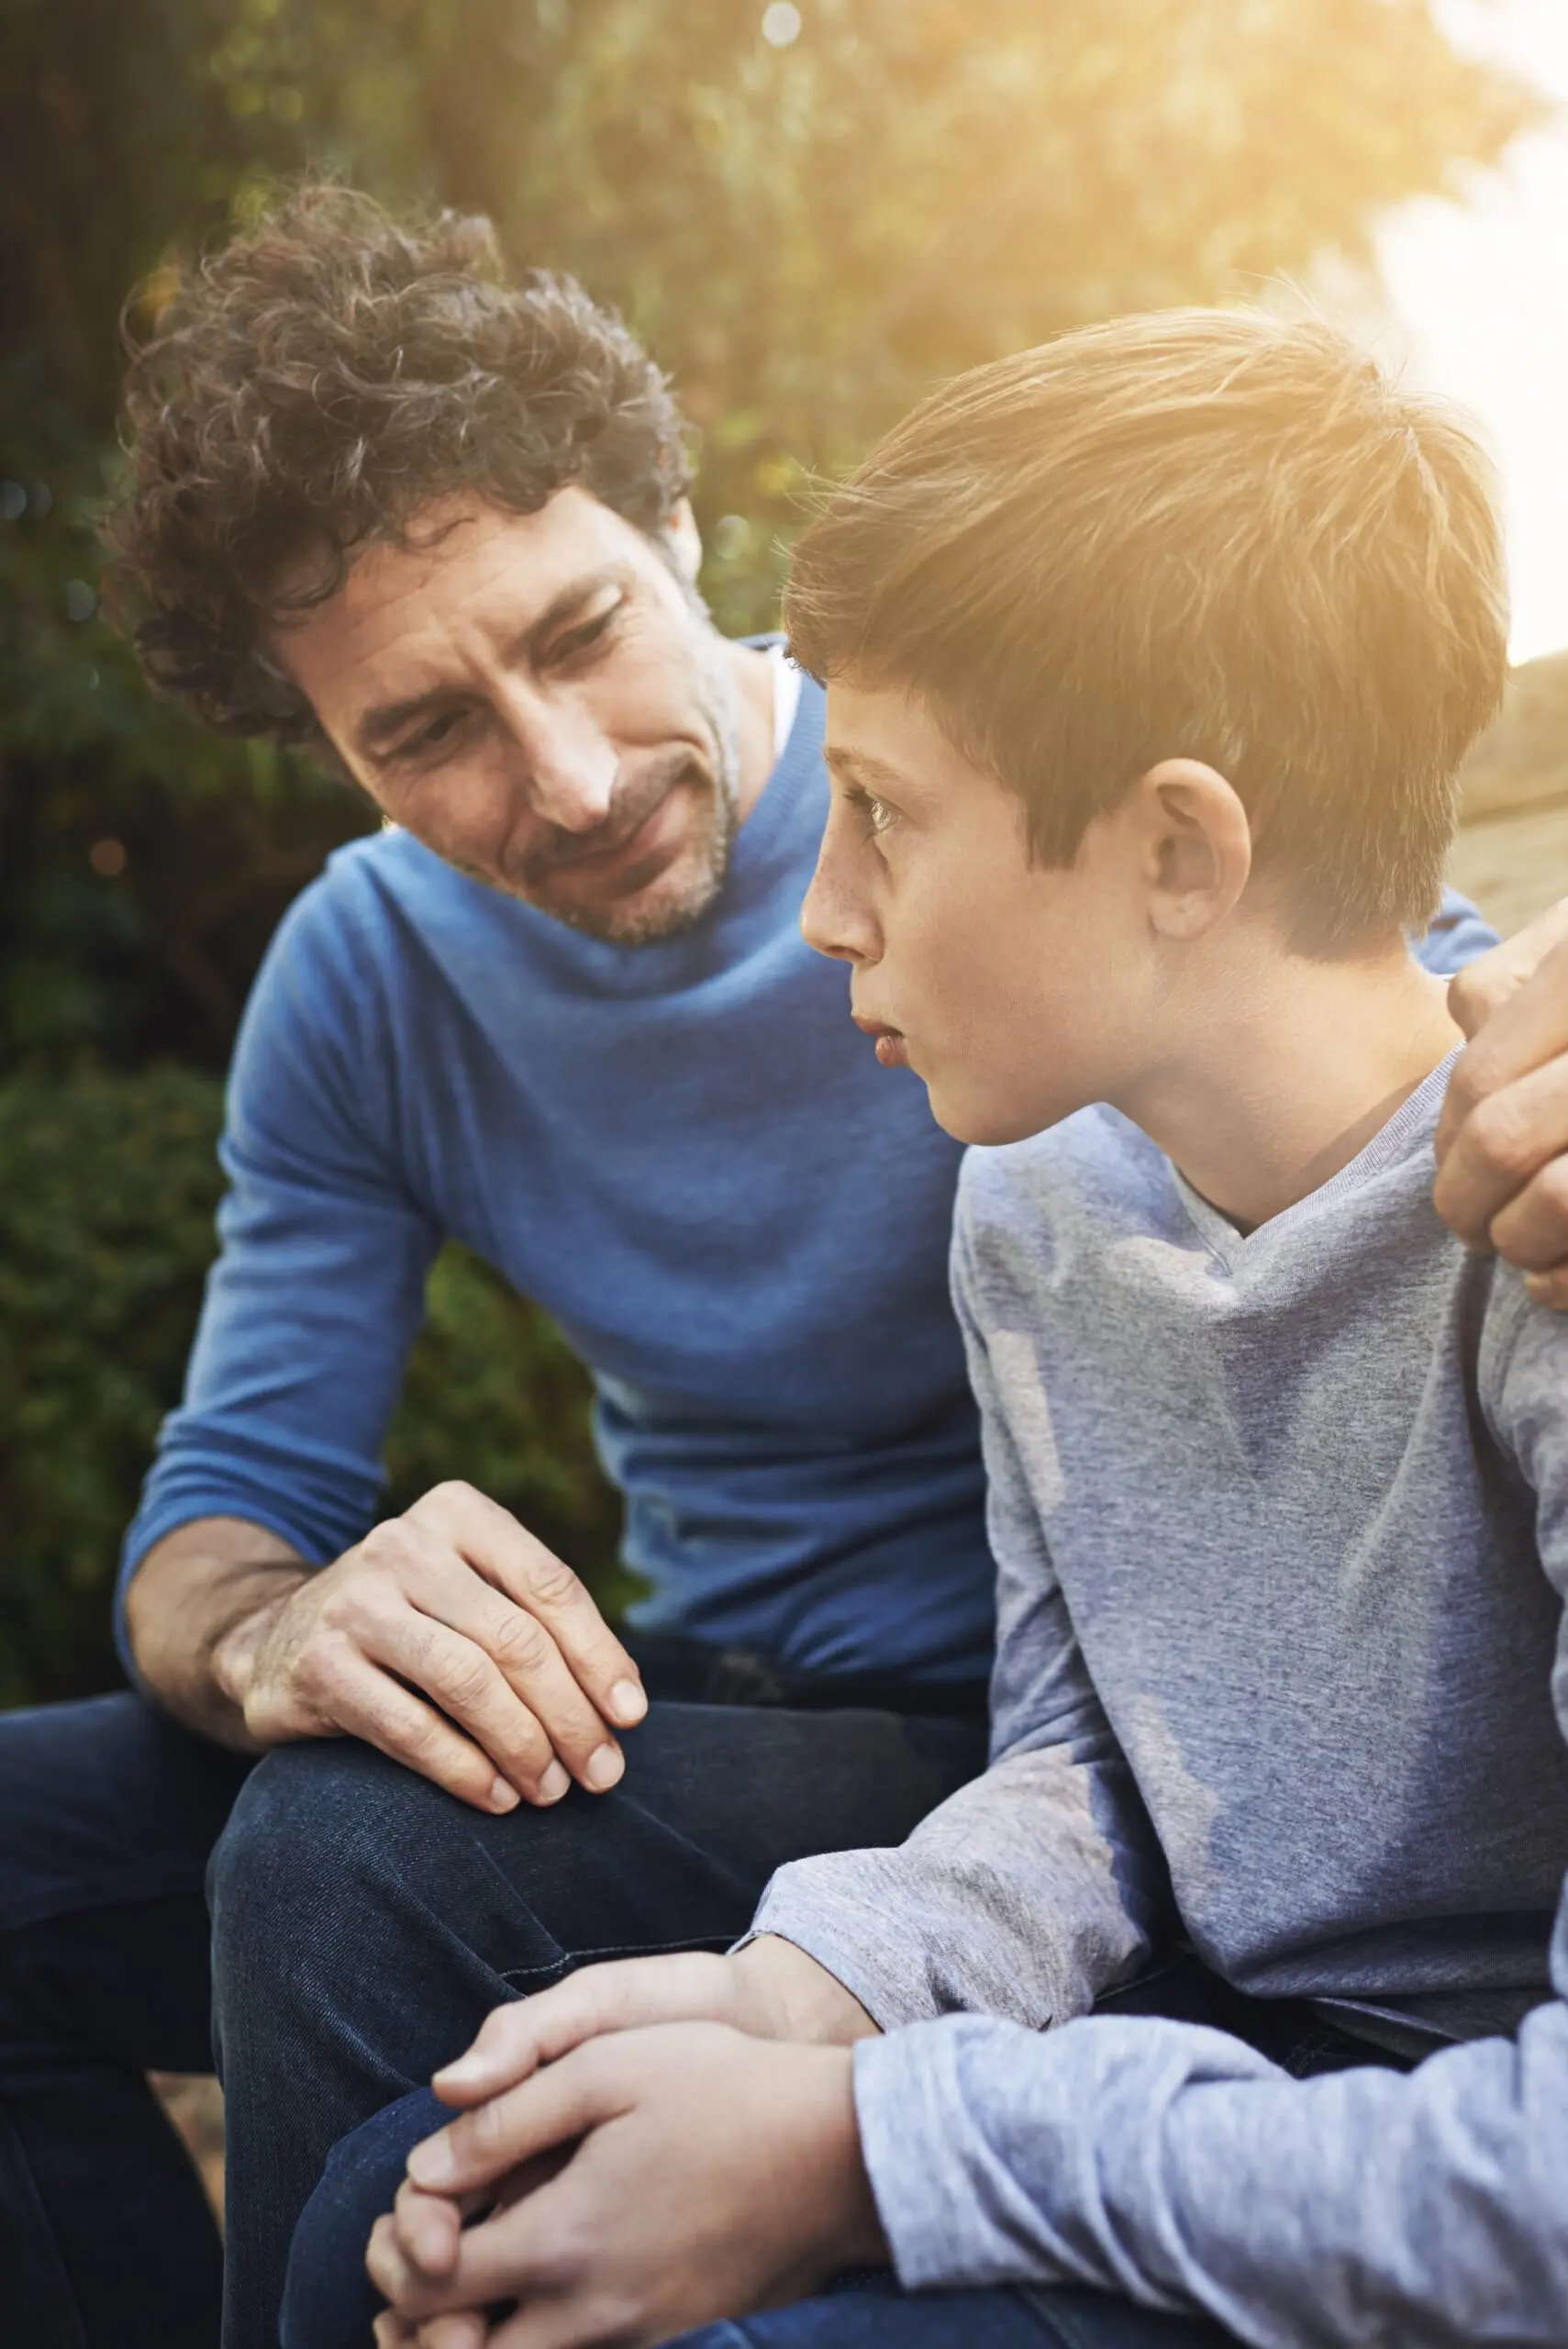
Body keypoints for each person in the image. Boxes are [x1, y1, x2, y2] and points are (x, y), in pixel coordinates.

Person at [323, 310, 1568, 2349]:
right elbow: (1087, 1755)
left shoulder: (1532, 1254)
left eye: (882, 808)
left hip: (1438, 2182)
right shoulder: (1030, 1201)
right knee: (407, 2226)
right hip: (1203, 2055)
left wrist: (862, 2136)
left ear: (1179, 848)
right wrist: (801, 1982)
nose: (824, 908)